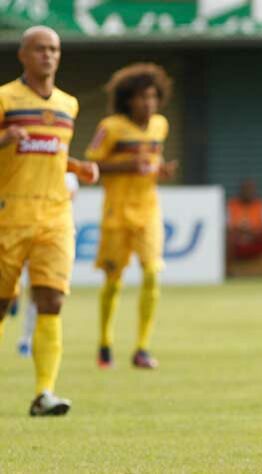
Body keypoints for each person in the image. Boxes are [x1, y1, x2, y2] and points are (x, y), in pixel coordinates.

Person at [0, 26, 98, 416]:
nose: (48, 55)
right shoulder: (6, 98)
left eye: (54, 49)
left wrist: (79, 166)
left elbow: (51, 152)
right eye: (39, 49)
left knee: (51, 300)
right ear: (22, 55)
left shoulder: (68, 104)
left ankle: (44, 393)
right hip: (10, 213)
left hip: (56, 215)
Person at [85, 63, 177, 370]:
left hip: (148, 210)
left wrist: (160, 170)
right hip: (116, 213)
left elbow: (152, 161)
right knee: (113, 281)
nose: (148, 103)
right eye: (141, 97)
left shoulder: (159, 126)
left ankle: (141, 347)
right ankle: (105, 342)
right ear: (128, 100)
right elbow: (92, 167)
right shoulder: (110, 127)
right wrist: (127, 166)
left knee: (152, 273)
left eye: (152, 97)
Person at [16, 173, 80, 357]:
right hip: (23, 228)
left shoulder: (68, 176)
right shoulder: (29, 165)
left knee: (42, 293)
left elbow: (70, 197)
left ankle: (27, 339)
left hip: (51, 236)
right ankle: (14, 294)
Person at [227, 178, 262, 266]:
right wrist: (240, 232)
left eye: (250, 189)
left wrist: (252, 232)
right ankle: (227, 272)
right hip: (237, 241)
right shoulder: (232, 205)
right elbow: (227, 227)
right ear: (240, 191)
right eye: (245, 189)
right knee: (227, 239)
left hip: (256, 239)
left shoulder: (261, 205)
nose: (248, 192)